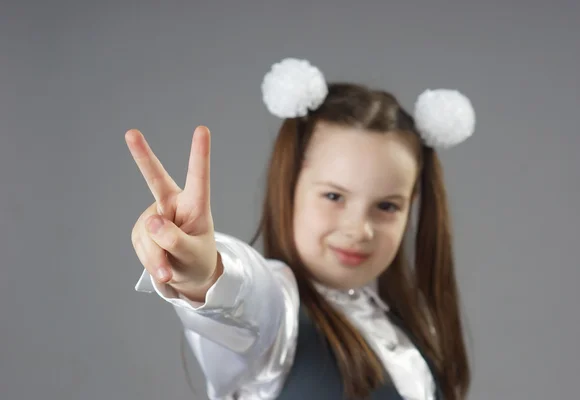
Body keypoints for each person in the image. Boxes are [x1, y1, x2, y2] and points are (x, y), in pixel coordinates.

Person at [126, 58, 476, 400]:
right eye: (334, 196)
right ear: (289, 186)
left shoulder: (408, 331)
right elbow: (244, 298)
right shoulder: (279, 321)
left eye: (387, 206)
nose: (359, 230)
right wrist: (207, 274)